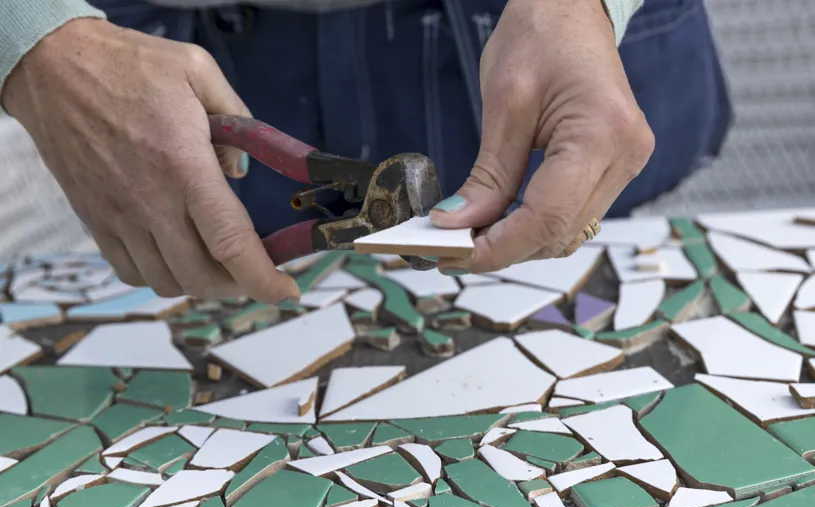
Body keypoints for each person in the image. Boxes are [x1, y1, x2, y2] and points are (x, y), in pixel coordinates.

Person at [0, 0, 730, 305]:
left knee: (595, 284)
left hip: (539, 31)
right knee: (203, 265)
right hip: (163, 62)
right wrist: (34, 35)